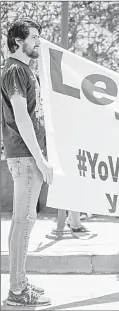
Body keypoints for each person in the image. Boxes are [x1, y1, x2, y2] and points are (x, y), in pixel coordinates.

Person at [2, 19, 52, 306]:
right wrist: (40, 159)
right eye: (33, 37)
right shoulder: (16, 71)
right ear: (17, 41)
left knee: (22, 222)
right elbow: (21, 116)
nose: (38, 42)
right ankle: (18, 291)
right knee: (23, 222)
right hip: (26, 156)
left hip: (23, 155)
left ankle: (19, 280)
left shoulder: (21, 70)